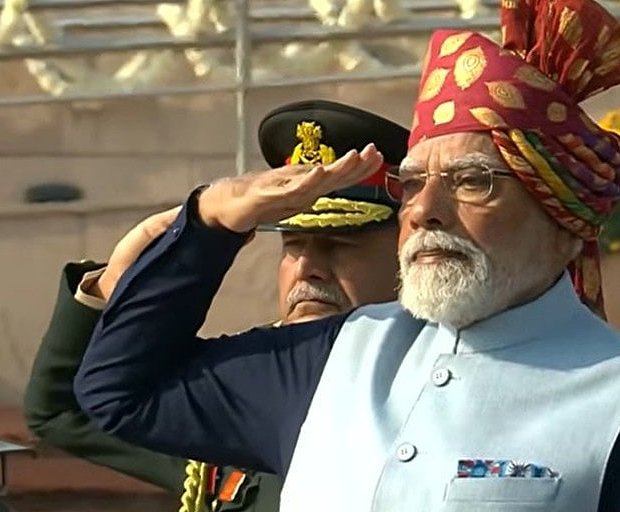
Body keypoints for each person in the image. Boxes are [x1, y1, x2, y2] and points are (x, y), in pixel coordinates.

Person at [73, 0, 620, 509]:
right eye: (413, 183)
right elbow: (119, 391)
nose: (423, 211)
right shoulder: (337, 355)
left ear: (562, 218)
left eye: (472, 181)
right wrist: (211, 221)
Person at [23, 100, 408, 512]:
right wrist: (115, 285)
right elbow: (64, 412)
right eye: (293, 244)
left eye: (339, 245)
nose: (306, 268)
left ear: (408, 255)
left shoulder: (430, 380)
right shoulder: (244, 380)